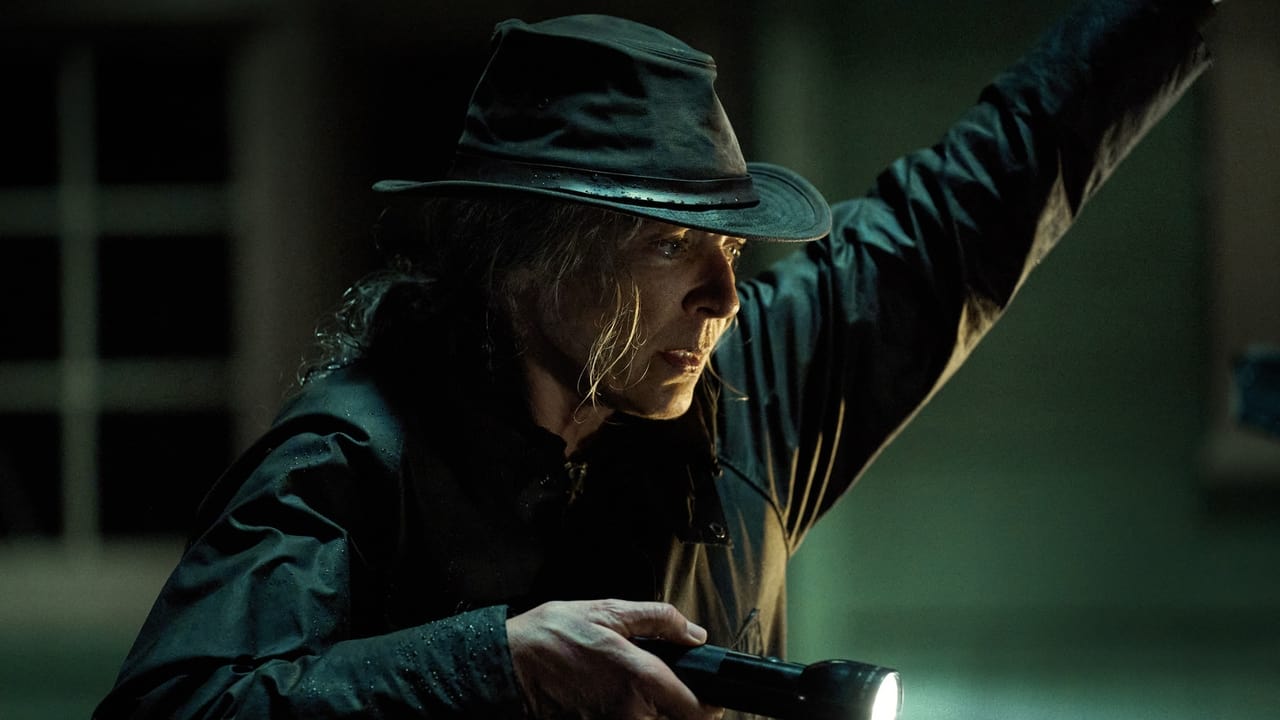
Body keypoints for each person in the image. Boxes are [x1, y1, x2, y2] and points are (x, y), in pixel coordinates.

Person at [94, 0, 1220, 718]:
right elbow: (175, 708)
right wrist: (494, 662)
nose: (724, 296)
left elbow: (996, 181)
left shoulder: (746, 390)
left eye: (730, 244)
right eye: (672, 243)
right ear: (530, 259)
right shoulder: (351, 457)